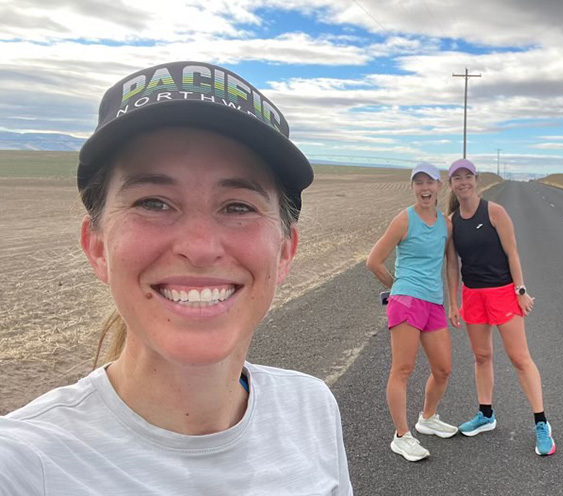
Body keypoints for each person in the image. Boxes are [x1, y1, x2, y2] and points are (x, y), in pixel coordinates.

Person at [0, 61, 353, 494]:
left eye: (238, 206)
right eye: (153, 202)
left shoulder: (311, 407)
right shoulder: (24, 466)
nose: (200, 246)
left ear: (284, 252)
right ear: (97, 246)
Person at [445, 158, 557, 456]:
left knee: (520, 359)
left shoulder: (495, 212)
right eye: (458, 178)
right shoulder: (452, 221)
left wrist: (521, 290)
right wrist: (454, 302)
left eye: (468, 176)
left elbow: (513, 253)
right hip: (473, 296)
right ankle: (485, 414)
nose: (463, 182)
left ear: (476, 180)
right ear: (451, 184)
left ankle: (542, 423)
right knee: (481, 356)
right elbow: (453, 265)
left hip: (503, 294)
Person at [366, 163, 458, 462]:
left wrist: (454, 301)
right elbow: (374, 261)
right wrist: (398, 288)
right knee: (403, 370)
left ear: (439, 186)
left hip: (434, 302)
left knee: (443, 369)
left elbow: (450, 264)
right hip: (406, 300)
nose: (424, 188)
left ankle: (427, 418)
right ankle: (402, 435)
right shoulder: (403, 220)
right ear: (412, 188)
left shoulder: (446, 224)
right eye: (418, 183)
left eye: (429, 182)